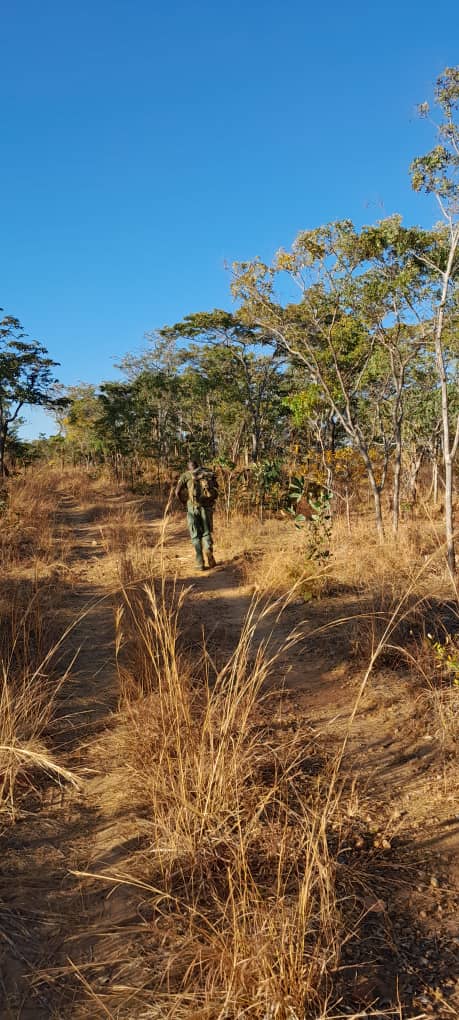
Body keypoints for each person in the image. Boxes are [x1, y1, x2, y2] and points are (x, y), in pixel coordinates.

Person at [175, 459, 218, 570]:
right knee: (206, 532)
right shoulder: (207, 473)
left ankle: (200, 563)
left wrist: (184, 502)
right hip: (206, 507)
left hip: (192, 508)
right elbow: (216, 488)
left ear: (189, 467)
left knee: (195, 535)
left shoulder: (186, 475)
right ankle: (208, 549)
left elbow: (177, 492)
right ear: (198, 465)